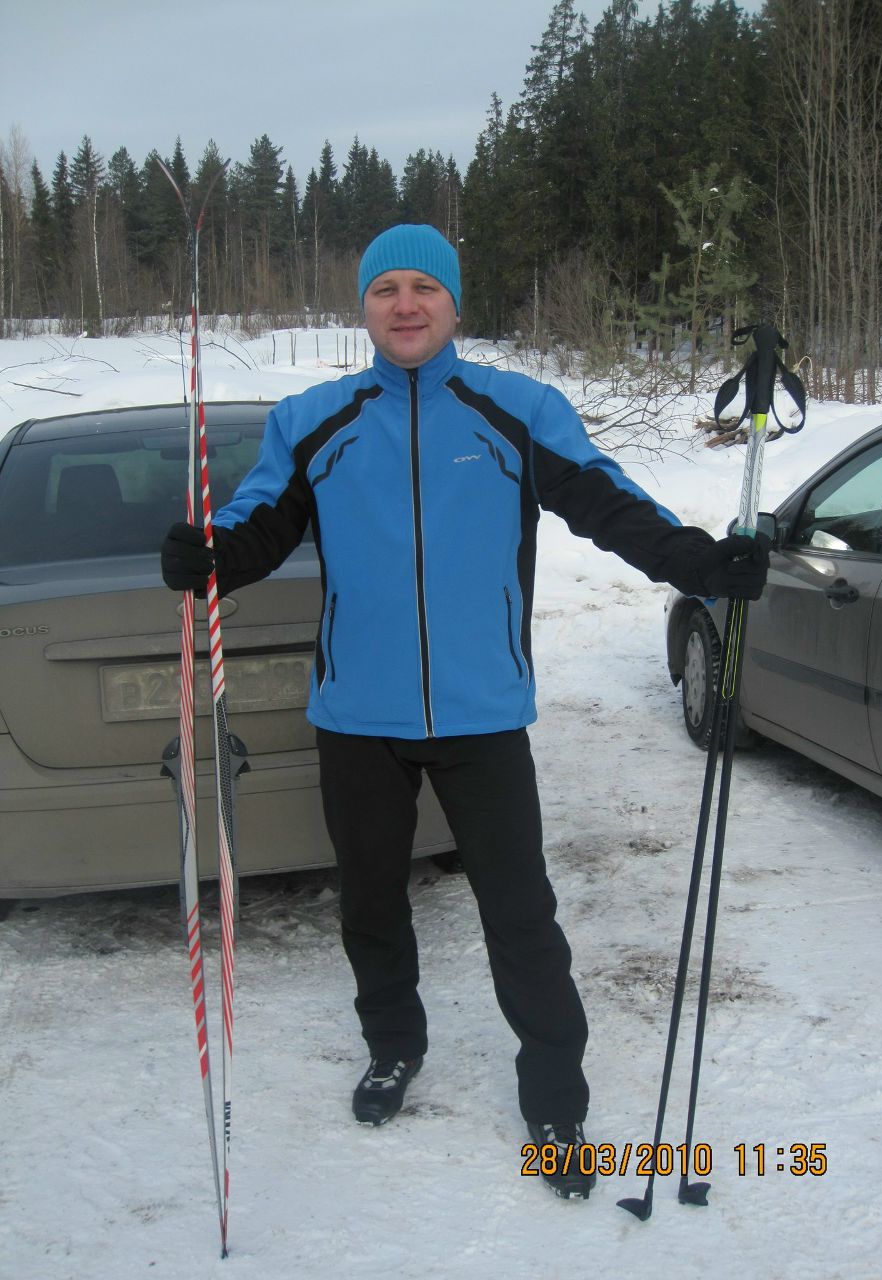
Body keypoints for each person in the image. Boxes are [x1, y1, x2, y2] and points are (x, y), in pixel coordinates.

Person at [161, 223, 768, 1200]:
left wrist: (700, 563)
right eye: (386, 288)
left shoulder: (514, 409)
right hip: (358, 714)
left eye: (424, 288)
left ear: (454, 304)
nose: (405, 304)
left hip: (484, 713)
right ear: (364, 306)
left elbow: (608, 505)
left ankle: (555, 1095)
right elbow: (260, 527)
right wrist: (207, 560)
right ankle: (394, 1044)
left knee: (522, 911)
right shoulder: (315, 418)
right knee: (369, 901)